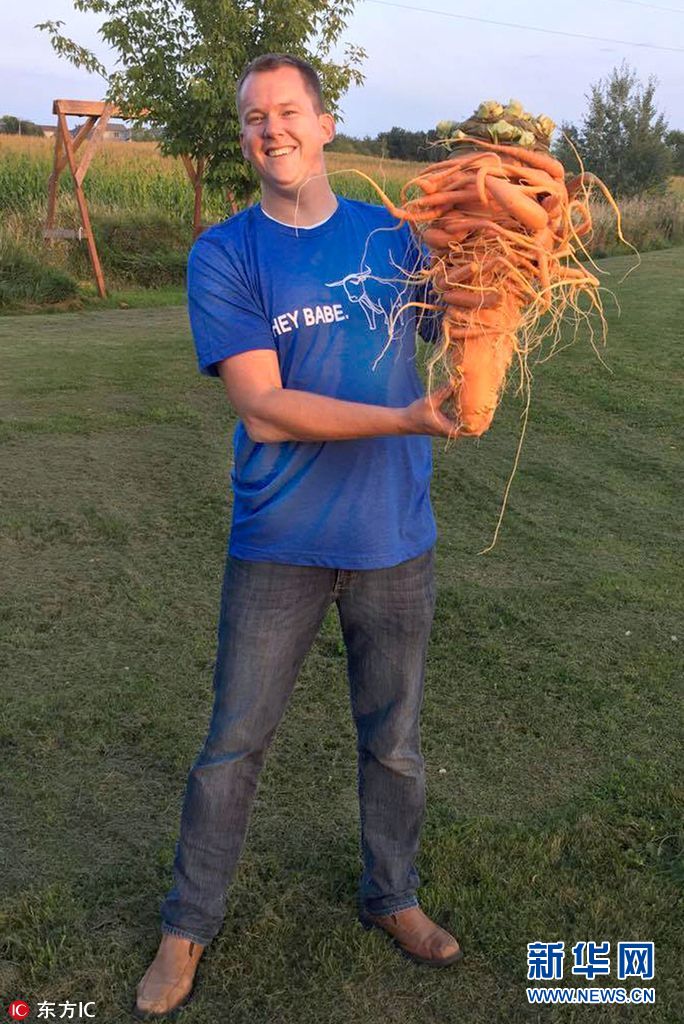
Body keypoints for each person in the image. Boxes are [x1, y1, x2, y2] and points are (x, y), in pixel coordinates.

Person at [134, 52, 463, 1020]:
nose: (270, 129)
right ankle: (184, 929)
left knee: (395, 744)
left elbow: (459, 321)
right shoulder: (227, 253)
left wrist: (501, 244)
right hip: (280, 539)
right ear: (245, 139)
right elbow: (266, 408)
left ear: (325, 125)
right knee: (233, 745)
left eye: (287, 112)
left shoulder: (394, 235)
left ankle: (393, 897)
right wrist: (408, 419)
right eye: (252, 118)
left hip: (395, 536)